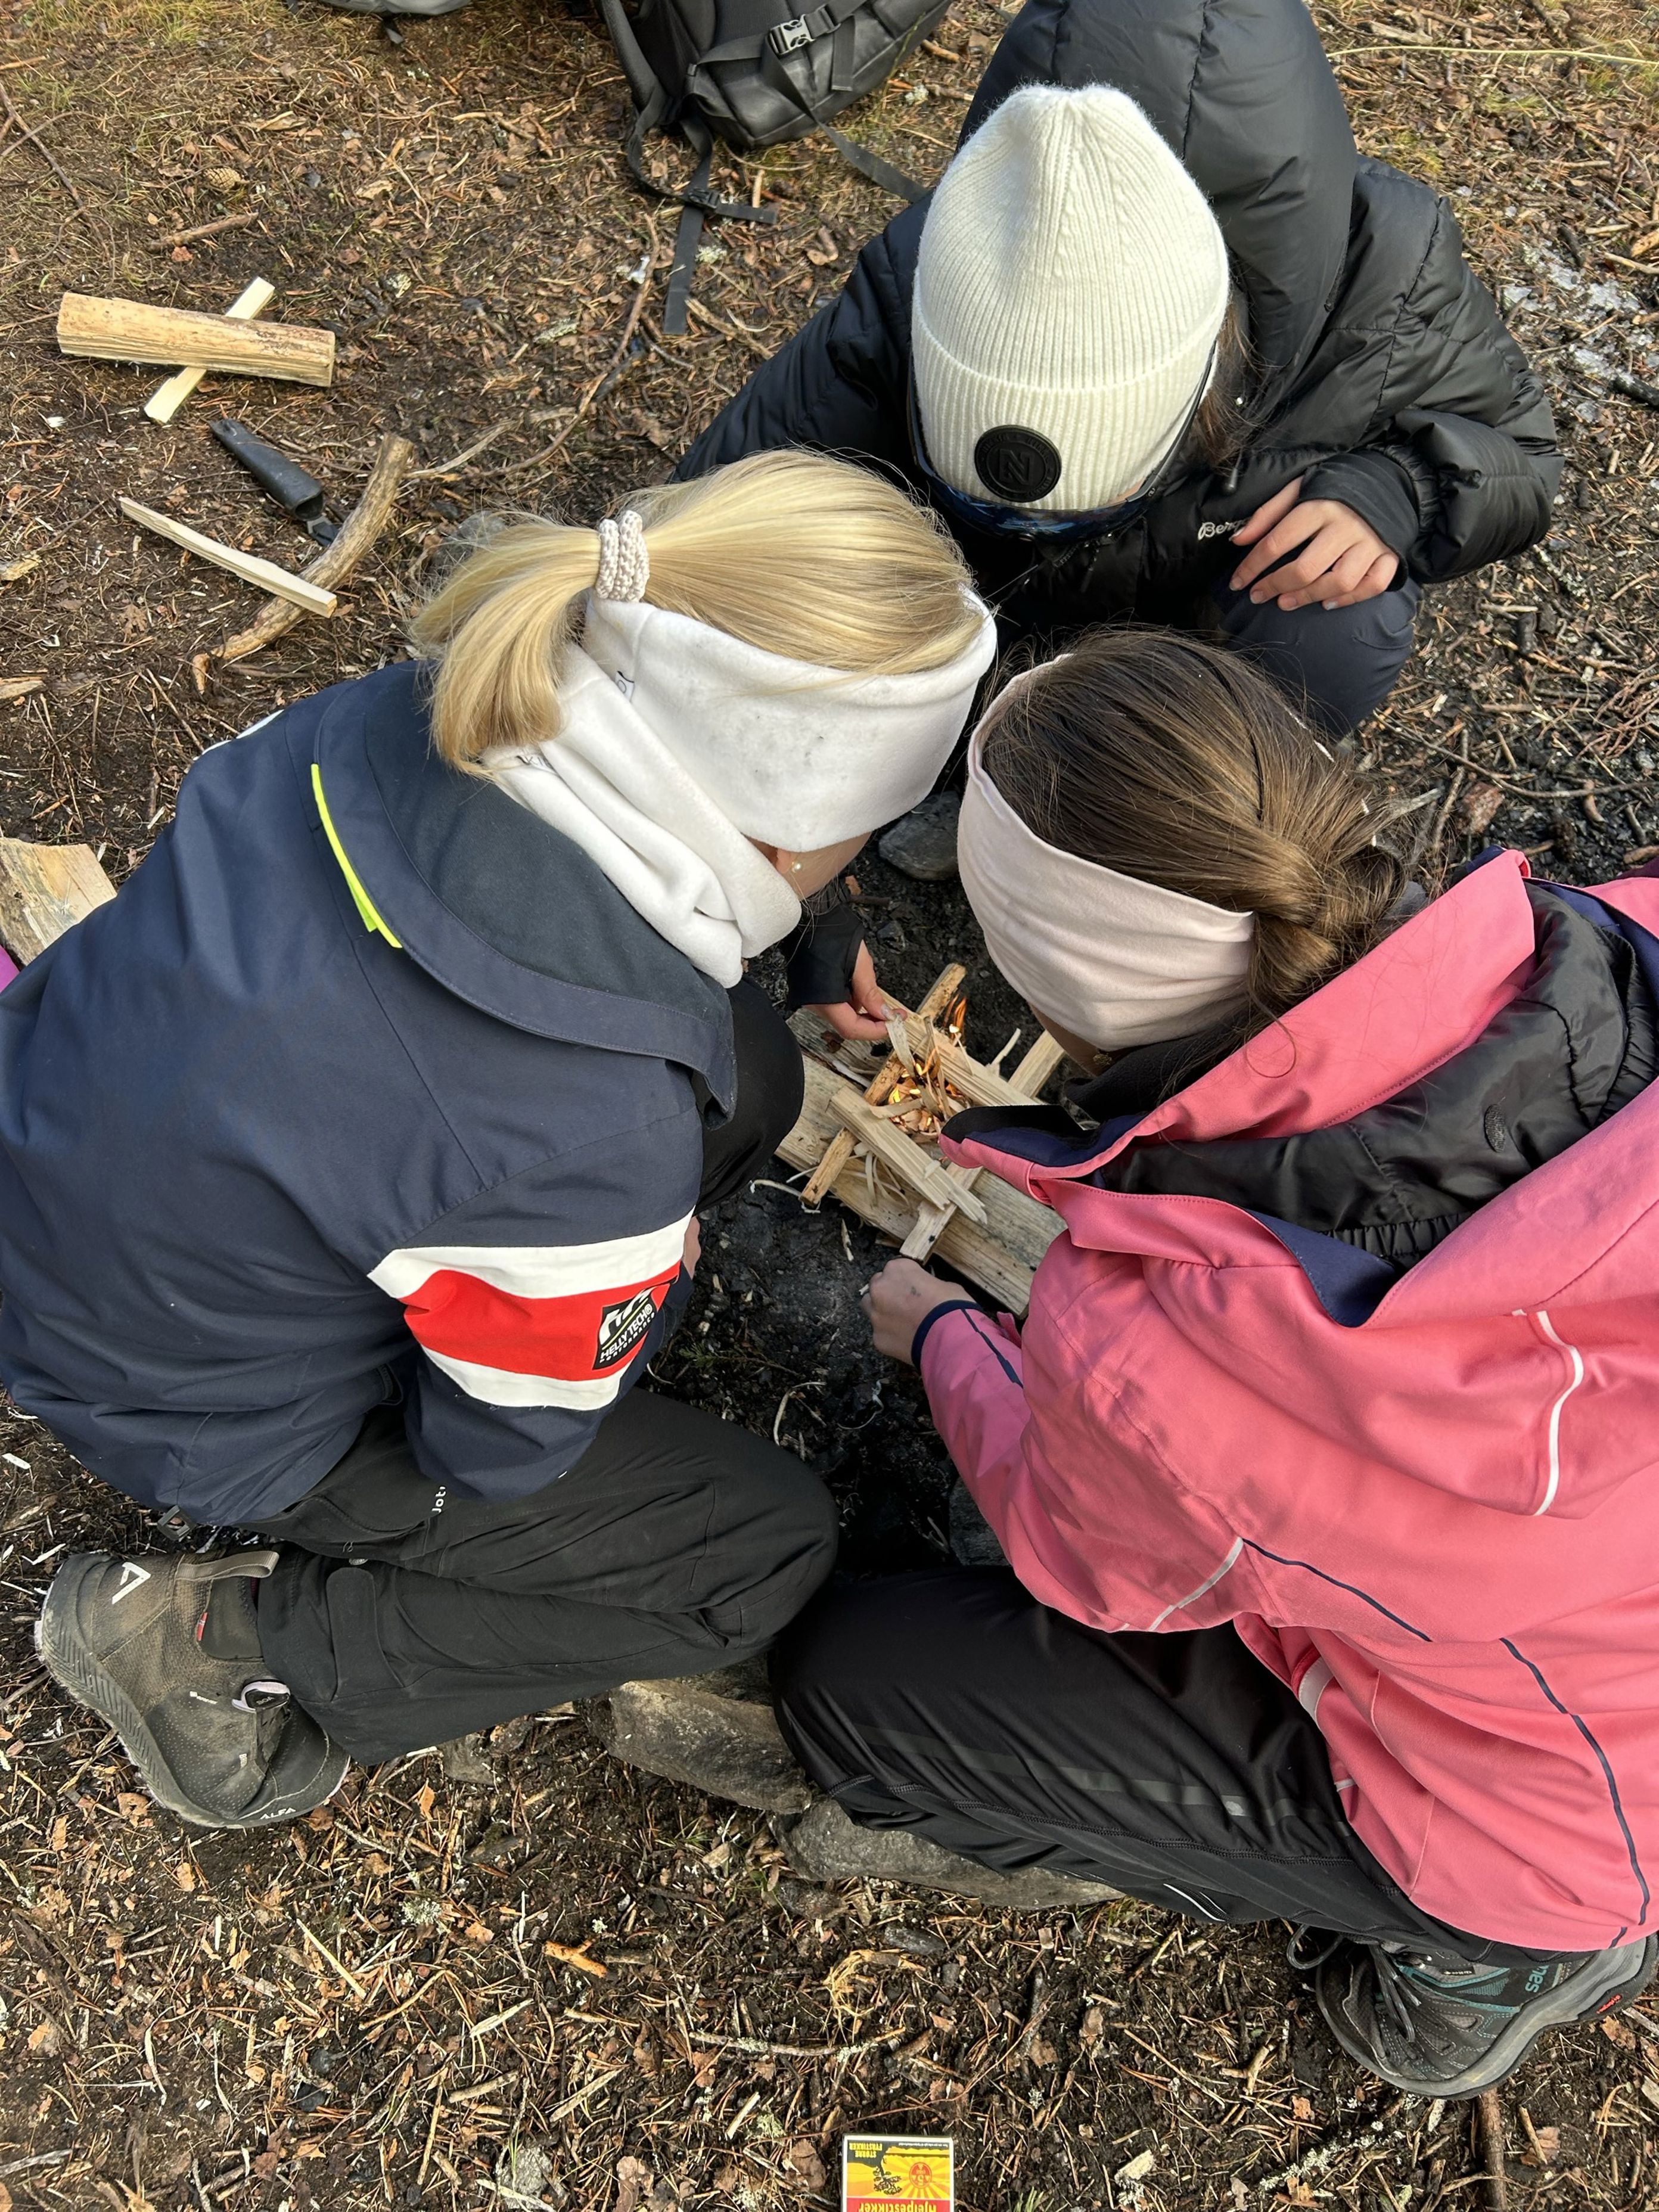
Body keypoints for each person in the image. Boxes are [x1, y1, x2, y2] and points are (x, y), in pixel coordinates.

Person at [0, 450, 996, 1831]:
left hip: (68, 1135)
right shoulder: (584, 1128)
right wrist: (615, 1286)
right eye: (866, 827)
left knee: (747, 1065)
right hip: (170, 1381)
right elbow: (493, 1449)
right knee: (758, 1555)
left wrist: (806, 941)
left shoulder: (425, 704)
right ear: (790, 827)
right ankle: (215, 1641)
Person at [771, 629, 1659, 2097]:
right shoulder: (1620, 938)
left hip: (1570, 1821)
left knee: (854, 1690)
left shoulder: (1168, 1355)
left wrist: (945, 1340)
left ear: (1059, 992)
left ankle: (1488, 1960)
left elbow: (1096, 1562)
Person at [675, 0, 1559, 984]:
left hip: (1204, 593)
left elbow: (1516, 450)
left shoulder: (1385, 271)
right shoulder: (931, 271)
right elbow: (711, 529)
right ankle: (977, 760)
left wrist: (1405, 492)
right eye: (1004, 501)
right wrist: (794, 890)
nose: (1042, 525)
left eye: (1081, 498)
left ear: (1206, 383)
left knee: (1340, 634)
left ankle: (1152, 815)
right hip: (995, 605)